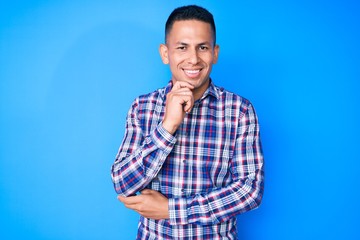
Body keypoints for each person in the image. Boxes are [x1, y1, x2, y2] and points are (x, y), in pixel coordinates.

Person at [111, 5, 264, 239]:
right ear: (165, 53)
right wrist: (167, 127)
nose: (193, 59)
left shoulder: (240, 111)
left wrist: (172, 210)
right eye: (182, 47)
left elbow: (249, 190)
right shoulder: (142, 107)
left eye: (202, 48)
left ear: (215, 52)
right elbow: (123, 183)